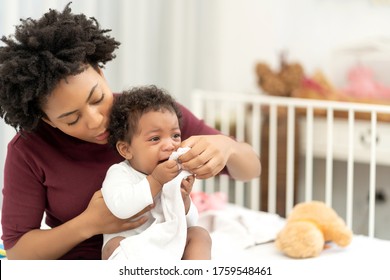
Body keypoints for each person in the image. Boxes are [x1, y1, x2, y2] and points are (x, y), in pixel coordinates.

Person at [0, 3, 261, 260]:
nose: (95, 121)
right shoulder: (29, 150)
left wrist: (227, 147)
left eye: (97, 98)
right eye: (72, 118)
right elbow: (18, 251)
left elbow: (252, 169)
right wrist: (88, 224)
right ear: (47, 120)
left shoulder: (150, 116)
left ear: (101, 73)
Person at [101, 86, 211, 260]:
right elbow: (121, 209)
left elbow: (188, 223)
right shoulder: (120, 173)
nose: (170, 145)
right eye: (155, 138)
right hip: (134, 247)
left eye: (175, 135)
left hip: (168, 246)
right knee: (113, 246)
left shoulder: (176, 176)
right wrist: (155, 181)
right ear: (126, 149)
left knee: (199, 234)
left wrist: (184, 199)